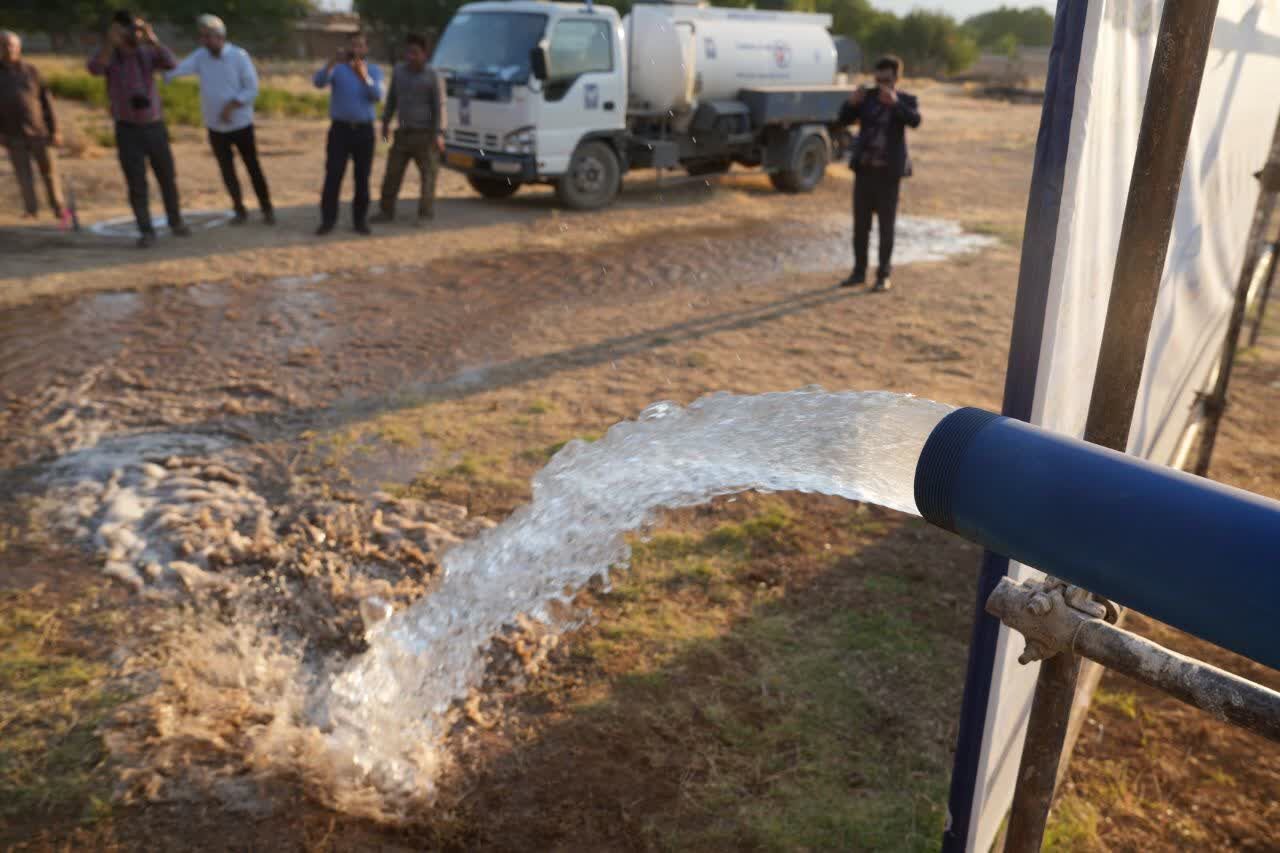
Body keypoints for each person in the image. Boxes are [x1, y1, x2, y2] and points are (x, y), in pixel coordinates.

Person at [88, 10, 188, 248]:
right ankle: (146, 230)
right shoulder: (110, 56)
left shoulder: (148, 52)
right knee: (136, 182)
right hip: (127, 128)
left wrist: (153, 40)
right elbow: (94, 69)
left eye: (139, 28)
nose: (136, 32)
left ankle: (176, 222)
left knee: (167, 177)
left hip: (154, 125)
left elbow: (172, 64)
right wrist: (110, 44)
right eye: (131, 28)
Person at [167, 14, 274, 225]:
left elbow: (251, 88)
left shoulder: (239, 56)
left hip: (241, 124)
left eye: (209, 36)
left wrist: (232, 105)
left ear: (220, 36)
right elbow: (176, 70)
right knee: (227, 170)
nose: (205, 41)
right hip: (215, 126)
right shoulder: (200, 56)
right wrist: (161, 68)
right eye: (202, 37)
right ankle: (239, 209)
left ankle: (267, 209)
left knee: (252, 166)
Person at [838, 55, 921, 292]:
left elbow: (915, 121)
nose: (881, 84)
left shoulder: (905, 99)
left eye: (886, 79)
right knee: (860, 226)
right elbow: (843, 119)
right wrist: (851, 103)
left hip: (888, 175)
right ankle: (858, 272)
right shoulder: (867, 98)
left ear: (896, 78)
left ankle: (883, 275)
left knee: (887, 227)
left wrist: (895, 103)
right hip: (864, 172)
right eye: (878, 78)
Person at [371, 33, 446, 226]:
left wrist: (439, 134)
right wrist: (385, 123)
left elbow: (439, 107)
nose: (411, 57)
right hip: (403, 134)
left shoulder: (433, 76)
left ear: (425, 54)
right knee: (392, 174)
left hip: (425, 137)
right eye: (408, 52)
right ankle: (386, 211)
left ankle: (425, 215)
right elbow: (391, 100)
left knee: (428, 177)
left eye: (415, 53)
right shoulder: (399, 72)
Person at [313, 31, 384, 236]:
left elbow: (377, 96)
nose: (356, 49)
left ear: (366, 49)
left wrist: (364, 77)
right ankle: (328, 221)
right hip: (340, 130)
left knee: (362, 177)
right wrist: (330, 63)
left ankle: (359, 221)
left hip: (364, 131)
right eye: (353, 45)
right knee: (333, 175)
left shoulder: (374, 71)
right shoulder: (338, 69)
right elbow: (318, 83)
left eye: (360, 45)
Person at [1, 30, 67, 223]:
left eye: (10, 45)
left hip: (39, 132)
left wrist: (55, 130)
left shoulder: (31, 71)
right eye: (3, 45)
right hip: (12, 134)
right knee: (23, 175)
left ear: (18, 47)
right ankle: (31, 210)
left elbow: (47, 102)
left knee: (50, 173)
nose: (7, 49)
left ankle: (59, 208)